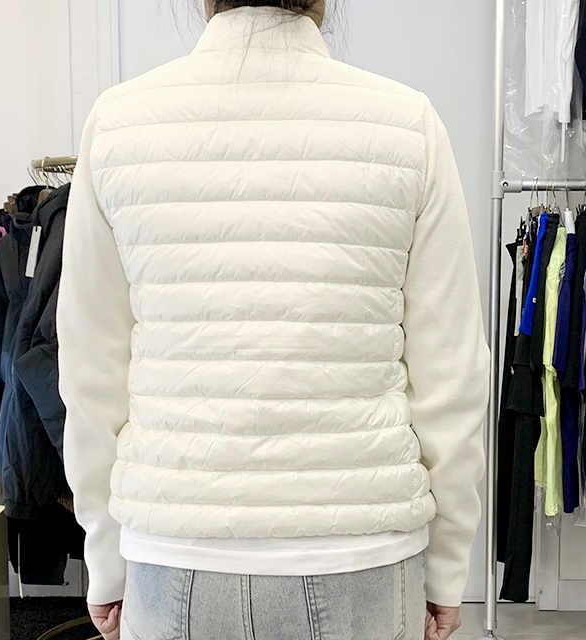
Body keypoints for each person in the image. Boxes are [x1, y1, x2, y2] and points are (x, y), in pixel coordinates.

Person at [56, 1, 491, 639]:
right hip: (361, 553)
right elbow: (451, 375)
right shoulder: (407, 125)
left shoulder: (118, 124)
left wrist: (105, 560)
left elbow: (91, 374)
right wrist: (449, 566)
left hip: (174, 551)